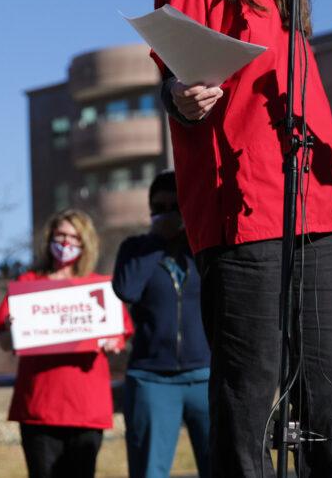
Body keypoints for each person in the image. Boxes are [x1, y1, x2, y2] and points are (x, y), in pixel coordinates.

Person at [152, 0, 332, 477]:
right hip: (243, 211)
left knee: (331, 396)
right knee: (247, 397)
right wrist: (182, 99)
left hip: (315, 210)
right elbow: (173, 75)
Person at [0, 209, 130, 478]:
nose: (65, 243)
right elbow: (4, 343)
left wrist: (114, 342)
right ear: (49, 239)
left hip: (86, 408)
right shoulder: (27, 285)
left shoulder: (100, 288)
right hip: (40, 408)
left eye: (74, 237)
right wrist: (13, 330)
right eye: (60, 235)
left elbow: (120, 336)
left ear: (85, 243)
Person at [112, 170, 210, 478]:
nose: (167, 213)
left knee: (222, 465)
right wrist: (156, 240)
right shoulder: (135, 249)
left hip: (206, 375)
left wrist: (190, 232)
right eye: (159, 207)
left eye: (175, 206)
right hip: (151, 379)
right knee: (149, 471)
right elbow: (127, 290)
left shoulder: (204, 247)